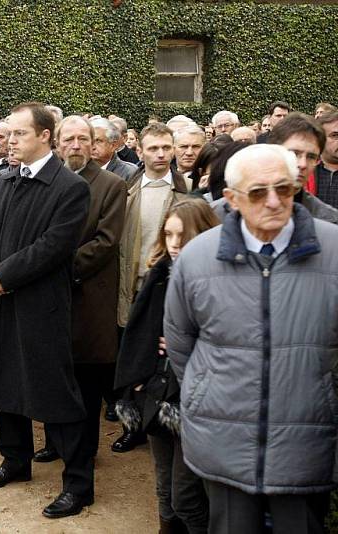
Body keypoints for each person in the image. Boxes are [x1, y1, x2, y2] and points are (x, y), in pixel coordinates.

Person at [165, 143, 338, 534]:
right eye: (258, 192)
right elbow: (181, 343)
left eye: (285, 189)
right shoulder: (197, 258)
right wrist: (205, 392)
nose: (275, 202)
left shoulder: (334, 251)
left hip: (307, 438)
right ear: (231, 199)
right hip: (223, 438)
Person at [0, 102, 92, 519]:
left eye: (19, 134)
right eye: (8, 134)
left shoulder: (69, 188)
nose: (9, 141)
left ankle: (78, 484)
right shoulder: (3, 183)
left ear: (45, 136)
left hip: (40, 306)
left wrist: (4, 274)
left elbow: (54, 247)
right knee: (4, 382)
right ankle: (15, 460)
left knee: (54, 391)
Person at [114, 198, 218, 534]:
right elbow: (140, 334)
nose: (175, 245)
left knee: (186, 496)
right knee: (163, 486)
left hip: (194, 397)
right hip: (157, 391)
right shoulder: (159, 276)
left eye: (184, 237)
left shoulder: (219, 282)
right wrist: (141, 374)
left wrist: (182, 344)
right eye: (169, 235)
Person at [33, 115, 126, 466]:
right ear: (56, 143)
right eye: (68, 139)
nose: (75, 145)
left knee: (84, 385)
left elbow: (105, 243)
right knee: (53, 378)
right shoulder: (46, 182)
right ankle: (56, 442)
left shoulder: (112, 185)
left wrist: (54, 268)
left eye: (83, 139)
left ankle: (83, 452)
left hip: (87, 299)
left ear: (94, 144)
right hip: (49, 301)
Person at [114, 122, 190, 453]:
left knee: (159, 355)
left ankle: (158, 420)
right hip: (129, 284)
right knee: (132, 350)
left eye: (166, 148)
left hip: (166, 286)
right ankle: (133, 423)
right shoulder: (126, 189)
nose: (160, 155)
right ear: (140, 151)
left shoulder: (185, 191)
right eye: (153, 148)